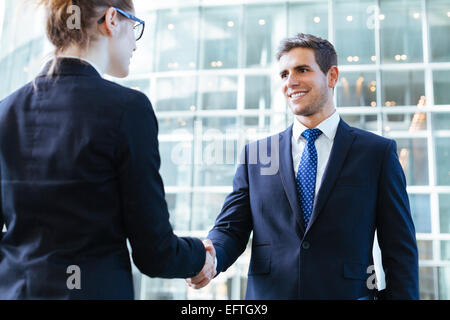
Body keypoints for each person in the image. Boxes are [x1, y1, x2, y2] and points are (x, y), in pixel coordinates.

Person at [0, 0, 215, 299]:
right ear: (112, 19)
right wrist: (199, 255)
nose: (136, 46)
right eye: (135, 28)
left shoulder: (5, 112)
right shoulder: (127, 109)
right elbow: (154, 252)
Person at [188, 33, 419, 300]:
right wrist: (211, 257)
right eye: (284, 74)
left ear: (332, 76)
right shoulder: (257, 154)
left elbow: (400, 250)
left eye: (302, 70)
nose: (291, 82)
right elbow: (231, 228)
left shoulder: (376, 153)